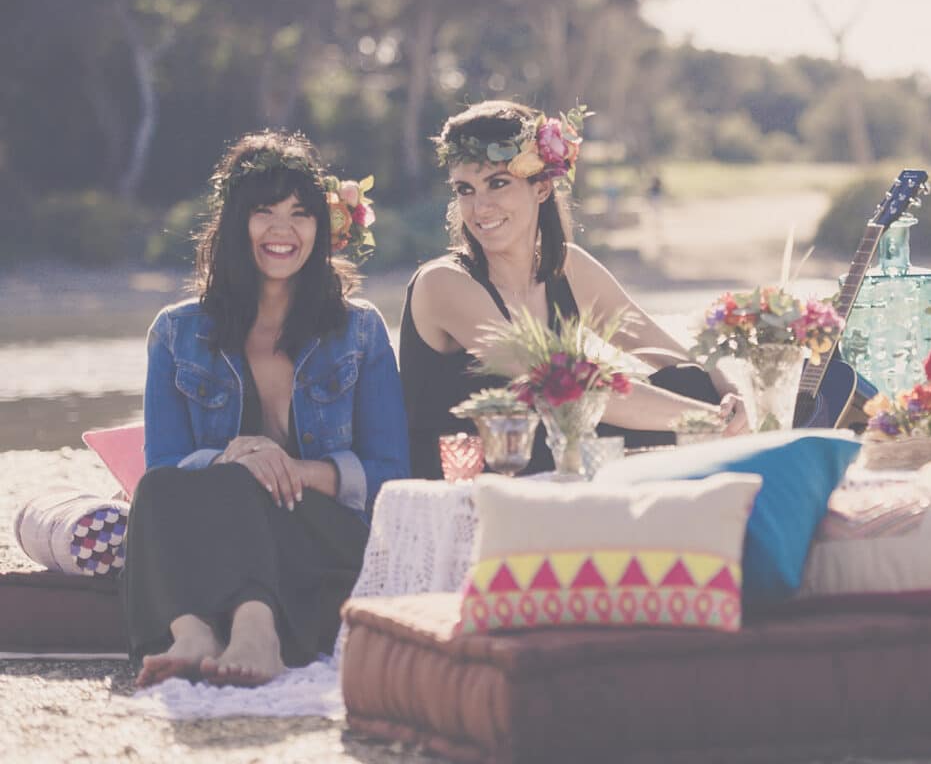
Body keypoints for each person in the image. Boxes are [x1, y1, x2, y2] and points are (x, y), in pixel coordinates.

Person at [121, 131, 409, 689]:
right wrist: (235, 459)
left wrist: (293, 471)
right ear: (235, 224)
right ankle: (194, 634)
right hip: (221, 534)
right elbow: (166, 467)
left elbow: (392, 476)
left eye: (301, 213)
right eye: (264, 212)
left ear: (321, 228)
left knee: (238, 480)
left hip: (324, 544)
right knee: (157, 489)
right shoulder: (176, 332)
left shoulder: (361, 330)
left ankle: (256, 631)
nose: (283, 230)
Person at [400, 100, 747, 479]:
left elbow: (664, 347)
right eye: (465, 189)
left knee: (690, 380)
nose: (480, 207)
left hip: (558, 463)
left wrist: (728, 388)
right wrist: (710, 419)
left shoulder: (568, 267)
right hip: (470, 481)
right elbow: (565, 389)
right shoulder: (444, 283)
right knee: (690, 404)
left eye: (497, 184)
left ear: (542, 188)